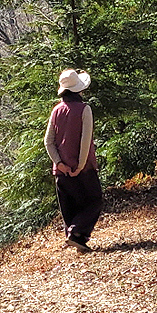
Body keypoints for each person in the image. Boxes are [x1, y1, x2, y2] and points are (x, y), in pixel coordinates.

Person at [44, 69, 103, 253]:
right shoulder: (85, 109)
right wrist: (80, 165)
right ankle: (77, 234)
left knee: (69, 206)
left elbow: (48, 141)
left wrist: (59, 163)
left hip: (61, 170)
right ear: (79, 90)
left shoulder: (56, 110)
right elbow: (85, 141)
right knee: (94, 201)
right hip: (83, 168)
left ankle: (75, 238)